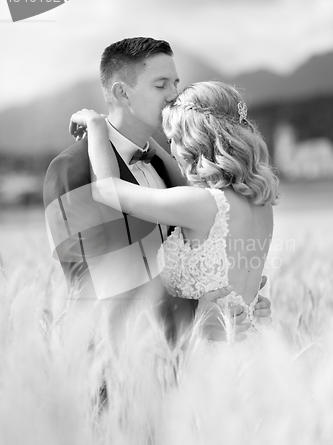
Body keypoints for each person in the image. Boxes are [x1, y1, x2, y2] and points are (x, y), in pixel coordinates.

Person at [44, 37, 271, 347]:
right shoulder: (73, 168)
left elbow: (110, 190)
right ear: (122, 92)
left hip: (196, 361)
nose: (174, 95)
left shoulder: (186, 184)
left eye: (176, 83)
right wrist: (199, 313)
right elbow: (91, 291)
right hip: (126, 365)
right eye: (161, 84)